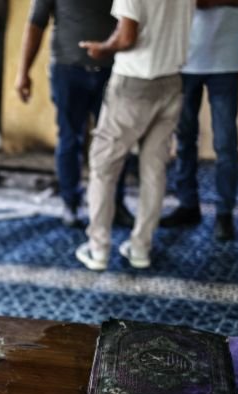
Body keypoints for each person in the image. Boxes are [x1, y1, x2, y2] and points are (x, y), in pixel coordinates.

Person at [74, 0, 194, 271]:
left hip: (134, 83)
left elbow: (127, 36)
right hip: (172, 81)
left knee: (104, 166)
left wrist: (102, 48)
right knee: (154, 169)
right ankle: (141, 248)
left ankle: (98, 249)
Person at [14, 0, 134, 228]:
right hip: (68, 71)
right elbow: (36, 23)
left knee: (115, 141)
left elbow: (133, 19)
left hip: (114, 70)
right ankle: (70, 203)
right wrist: (23, 72)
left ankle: (115, 203)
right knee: (70, 139)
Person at [161, 0, 238, 241]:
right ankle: (188, 205)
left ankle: (224, 214)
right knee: (184, 137)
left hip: (225, 62)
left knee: (226, 144)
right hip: (185, 60)